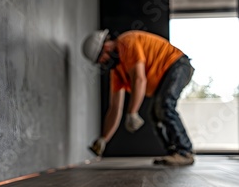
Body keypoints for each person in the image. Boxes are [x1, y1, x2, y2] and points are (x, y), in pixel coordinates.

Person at [81, 29, 195, 166]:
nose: (103, 63)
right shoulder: (117, 72)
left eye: (101, 58)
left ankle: (185, 151)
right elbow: (115, 108)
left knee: (164, 106)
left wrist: (132, 112)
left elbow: (139, 80)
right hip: (165, 75)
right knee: (155, 113)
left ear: (105, 47)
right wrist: (104, 139)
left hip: (177, 65)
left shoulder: (127, 42)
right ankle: (174, 152)